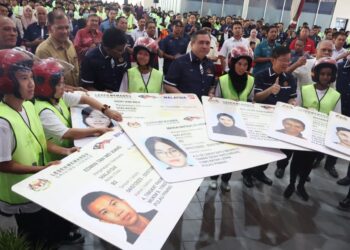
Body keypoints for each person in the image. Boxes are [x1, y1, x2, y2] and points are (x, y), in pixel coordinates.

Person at [0, 48, 81, 247]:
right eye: (24, 78)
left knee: (46, 231)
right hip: (19, 196)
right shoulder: (3, 122)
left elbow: (37, 139)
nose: (31, 84)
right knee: (34, 238)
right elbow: (5, 164)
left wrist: (64, 151)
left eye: (31, 77)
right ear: (8, 82)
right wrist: (41, 169)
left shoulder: (28, 105)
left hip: (37, 185)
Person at [32, 58, 122, 160]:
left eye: (63, 83)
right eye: (58, 84)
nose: (63, 87)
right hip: (58, 157)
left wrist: (106, 110)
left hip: (70, 147)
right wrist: (97, 129)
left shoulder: (58, 96)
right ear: (46, 87)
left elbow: (84, 98)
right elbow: (67, 133)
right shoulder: (44, 111)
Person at [284, 57, 341, 201]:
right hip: (302, 134)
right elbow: (297, 111)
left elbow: (337, 118)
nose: (325, 77)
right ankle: (291, 183)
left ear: (332, 76)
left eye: (329, 74)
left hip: (318, 136)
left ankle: (301, 185)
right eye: (322, 74)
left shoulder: (336, 95)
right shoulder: (305, 89)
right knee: (296, 160)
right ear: (316, 74)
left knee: (308, 163)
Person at [243, 46, 297, 187]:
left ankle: (260, 172)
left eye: (288, 61)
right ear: (273, 60)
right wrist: (270, 90)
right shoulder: (261, 75)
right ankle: (247, 173)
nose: (286, 64)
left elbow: (291, 97)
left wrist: (293, 103)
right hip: (262, 118)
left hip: (280, 120)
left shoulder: (290, 78)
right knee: (257, 149)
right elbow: (256, 97)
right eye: (283, 60)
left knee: (269, 150)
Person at [81, 191, 157, 244]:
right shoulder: (131, 243)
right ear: (105, 221)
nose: (118, 212)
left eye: (114, 203)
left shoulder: (160, 212)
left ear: (125, 202)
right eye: (105, 212)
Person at [164, 30, 216, 99]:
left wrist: (211, 93)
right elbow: (168, 85)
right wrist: (185, 98)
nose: (204, 46)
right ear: (192, 44)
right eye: (201, 43)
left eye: (207, 43)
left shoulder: (210, 64)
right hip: (185, 107)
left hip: (204, 106)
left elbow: (212, 86)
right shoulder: (179, 62)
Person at [36, 11, 80, 87]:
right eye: (60, 28)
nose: (65, 31)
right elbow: (48, 83)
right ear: (50, 28)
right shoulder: (43, 50)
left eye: (67, 27)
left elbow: (76, 72)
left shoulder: (70, 44)